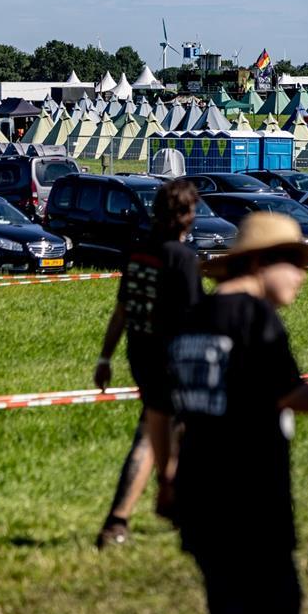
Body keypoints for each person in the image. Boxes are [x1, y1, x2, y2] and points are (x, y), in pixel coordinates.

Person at [166, 212, 308, 614]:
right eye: (295, 263)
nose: (302, 276)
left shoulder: (195, 315)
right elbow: (289, 393)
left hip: (200, 497)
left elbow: (168, 412)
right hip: (249, 498)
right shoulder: (255, 318)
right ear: (262, 262)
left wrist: (167, 479)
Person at [93, 179, 202, 548]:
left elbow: (122, 309)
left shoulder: (139, 253)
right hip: (174, 359)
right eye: (193, 210)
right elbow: (195, 316)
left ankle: (171, 502)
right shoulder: (182, 258)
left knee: (169, 430)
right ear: (184, 215)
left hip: (139, 354)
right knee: (153, 435)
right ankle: (119, 520)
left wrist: (105, 356)